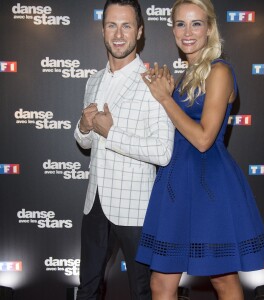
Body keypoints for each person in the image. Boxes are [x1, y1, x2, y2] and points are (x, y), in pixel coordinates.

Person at [136, 0, 264, 299]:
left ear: (209, 28)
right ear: (172, 29)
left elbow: (203, 139)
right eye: (180, 24)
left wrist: (166, 99)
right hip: (176, 183)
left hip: (208, 185)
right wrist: (168, 94)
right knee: (160, 284)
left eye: (196, 23)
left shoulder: (219, 71)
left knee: (223, 279)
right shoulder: (188, 74)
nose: (187, 32)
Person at [74, 0, 175, 299]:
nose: (118, 33)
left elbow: (163, 152)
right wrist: (83, 126)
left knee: (142, 291)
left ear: (139, 31)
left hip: (136, 209)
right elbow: (85, 143)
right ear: (103, 30)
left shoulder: (154, 83)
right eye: (111, 25)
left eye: (126, 25)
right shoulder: (93, 81)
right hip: (94, 203)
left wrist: (110, 132)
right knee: (88, 286)